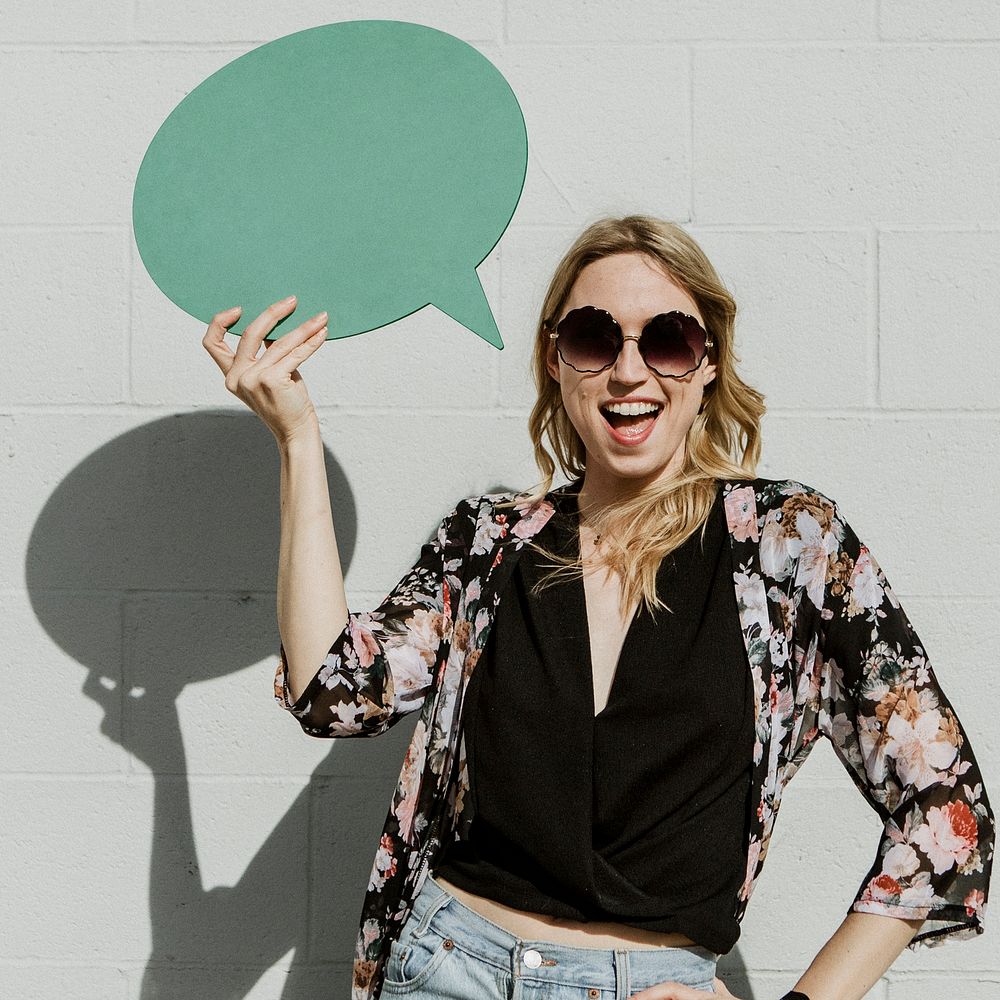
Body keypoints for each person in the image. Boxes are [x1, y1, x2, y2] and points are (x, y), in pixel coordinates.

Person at [203, 215, 994, 1000]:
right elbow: (334, 694)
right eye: (593, 337)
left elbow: (946, 812)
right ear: (556, 360)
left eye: (667, 340)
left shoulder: (792, 549)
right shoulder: (489, 543)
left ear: (708, 362)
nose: (629, 370)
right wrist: (296, 440)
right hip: (449, 970)